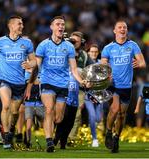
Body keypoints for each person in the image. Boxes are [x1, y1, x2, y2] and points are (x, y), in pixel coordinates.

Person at [26, 16, 88, 152]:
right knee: (49, 109)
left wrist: (81, 81)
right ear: (52, 27)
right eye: (58, 24)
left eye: (63, 24)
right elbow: (37, 63)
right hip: (47, 82)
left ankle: (46, 124)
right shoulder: (43, 45)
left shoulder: (69, 47)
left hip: (63, 84)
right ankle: (49, 141)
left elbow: (73, 69)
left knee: (58, 118)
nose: (61, 26)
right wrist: (29, 65)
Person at [0, 15, 36, 149]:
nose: (22, 26)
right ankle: (6, 137)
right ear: (11, 26)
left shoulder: (27, 43)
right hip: (4, 80)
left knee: (15, 112)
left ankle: (11, 130)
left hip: (19, 83)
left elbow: (34, 61)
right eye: (19, 24)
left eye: (22, 24)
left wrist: (30, 64)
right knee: (5, 106)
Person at [101, 20, 146, 153]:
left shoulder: (133, 46)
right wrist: (106, 73)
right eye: (119, 27)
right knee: (114, 110)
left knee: (121, 114)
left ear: (127, 31)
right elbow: (103, 65)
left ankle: (116, 138)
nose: (122, 29)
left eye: (125, 27)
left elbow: (143, 63)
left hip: (126, 86)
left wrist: (138, 64)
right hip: (113, 85)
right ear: (114, 31)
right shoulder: (108, 48)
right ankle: (108, 131)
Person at [67, 31, 88, 145]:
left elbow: (91, 69)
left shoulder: (84, 55)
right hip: (64, 87)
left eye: (76, 41)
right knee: (61, 113)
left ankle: (71, 138)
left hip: (79, 89)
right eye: (72, 40)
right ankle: (59, 136)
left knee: (77, 115)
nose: (74, 43)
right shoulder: (63, 51)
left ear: (82, 43)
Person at [84, 44, 103, 147]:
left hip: (99, 95)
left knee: (98, 119)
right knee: (92, 116)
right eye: (92, 52)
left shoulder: (101, 64)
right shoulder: (85, 64)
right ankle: (94, 139)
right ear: (88, 52)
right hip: (88, 95)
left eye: (96, 52)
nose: (94, 54)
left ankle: (94, 127)